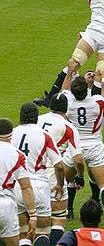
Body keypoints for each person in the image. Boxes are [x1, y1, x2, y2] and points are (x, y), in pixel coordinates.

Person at [61, 62, 104, 230]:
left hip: (74, 148)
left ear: (73, 91)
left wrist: (70, 72)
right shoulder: (98, 102)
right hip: (94, 146)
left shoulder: (69, 103)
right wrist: (102, 79)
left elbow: (64, 90)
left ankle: (63, 210)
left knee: (63, 182)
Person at [11, 103, 65, 246]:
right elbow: (59, 165)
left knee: (23, 234)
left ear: (20, 117)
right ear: (36, 118)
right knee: (42, 232)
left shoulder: (12, 134)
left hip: (17, 187)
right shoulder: (45, 136)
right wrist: (59, 184)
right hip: (39, 188)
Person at [37, 93, 85, 246]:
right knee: (58, 218)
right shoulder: (69, 127)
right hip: (53, 175)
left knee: (35, 222)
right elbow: (78, 159)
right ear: (66, 108)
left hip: (31, 174)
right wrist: (80, 176)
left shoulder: (37, 120)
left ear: (50, 105)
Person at [0, 118, 36, 246]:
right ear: (11, 134)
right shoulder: (17, 154)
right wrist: (32, 215)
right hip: (6, 206)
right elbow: (26, 187)